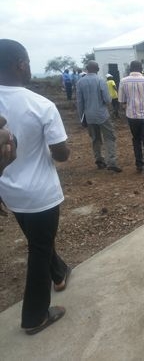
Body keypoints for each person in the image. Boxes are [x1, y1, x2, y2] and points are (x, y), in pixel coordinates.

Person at [0, 39, 71, 334]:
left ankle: (59, 273)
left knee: (39, 239)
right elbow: (62, 154)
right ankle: (34, 316)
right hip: (40, 192)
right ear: (20, 64)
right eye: (28, 62)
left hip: (9, 190)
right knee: (39, 248)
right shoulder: (40, 105)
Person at [76, 61, 122, 172]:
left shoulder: (80, 82)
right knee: (109, 137)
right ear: (97, 69)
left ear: (87, 69)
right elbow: (107, 99)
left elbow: (79, 102)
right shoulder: (100, 80)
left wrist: (82, 118)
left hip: (89, 115)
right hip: (102, 114)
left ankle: (99, 160)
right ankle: (111, 162)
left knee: (95, 139)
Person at [118, 60, 144, 178]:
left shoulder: (123, 81)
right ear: (141, 68)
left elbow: (121, 100)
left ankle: (139, 164)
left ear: (130, 68)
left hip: (132, 116)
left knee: (136, 140)